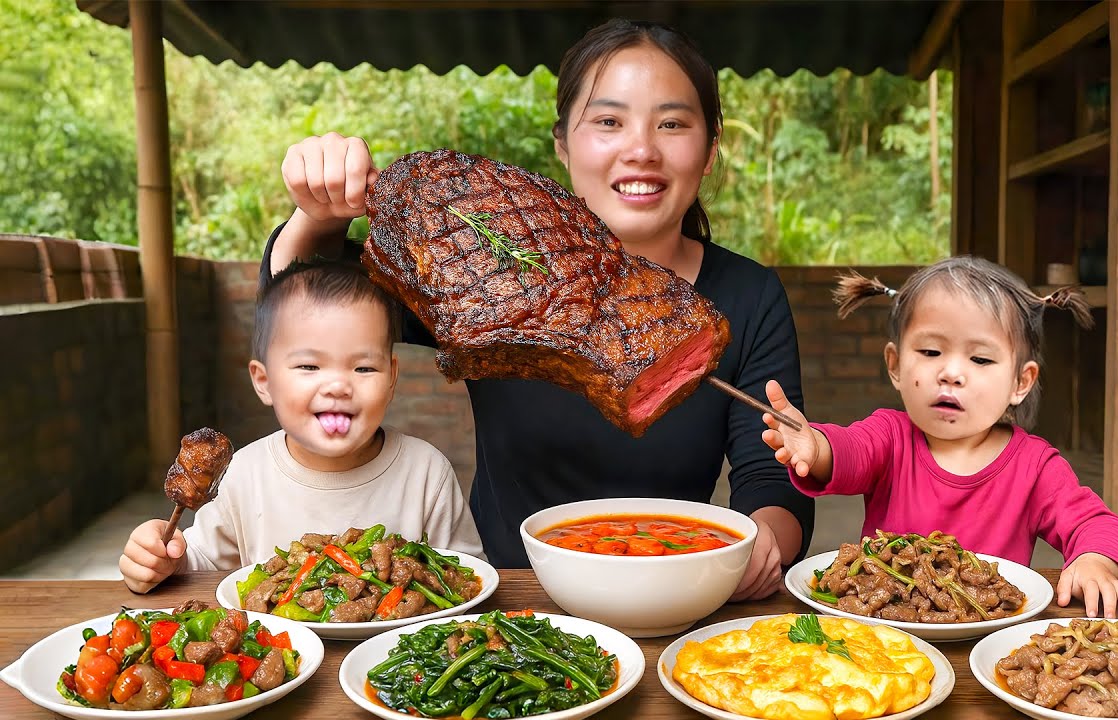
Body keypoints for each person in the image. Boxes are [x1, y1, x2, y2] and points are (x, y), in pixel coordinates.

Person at [262, 19, 813, 600]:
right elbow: (301, 298)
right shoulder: (489, 278)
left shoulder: (750, 296)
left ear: (709, 150)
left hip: (679, 591)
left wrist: (760, 546)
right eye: (608, 121)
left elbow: (775, 475)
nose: (642, 149)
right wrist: (319, 212)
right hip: (509, 601)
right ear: (563, 146)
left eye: (672, 124)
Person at [761, 256, 1118, 619]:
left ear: (1020, 382)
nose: (951, 373)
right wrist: (815, 444)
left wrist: (1094, 560)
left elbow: (1096, 523)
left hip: (989, 638)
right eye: (930, 351)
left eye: (980, 359)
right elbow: (848, 451)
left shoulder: (1035, 466)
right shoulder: (891, 437)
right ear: (895, 365)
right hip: (885, 638)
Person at [120, 260, 484, 593]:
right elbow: (203, 563)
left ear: (391, 378)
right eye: (310, 367)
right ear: (264, 381)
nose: (338, 386)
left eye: (363, 368)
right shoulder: (245, 475)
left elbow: (468, 576)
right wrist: (164, 559)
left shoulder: (425, 472)